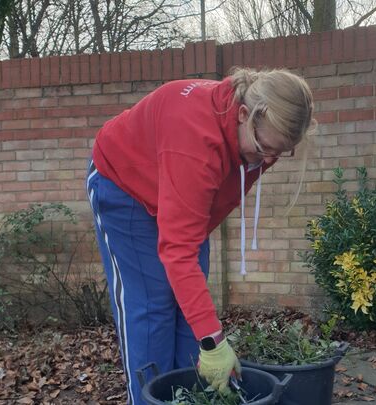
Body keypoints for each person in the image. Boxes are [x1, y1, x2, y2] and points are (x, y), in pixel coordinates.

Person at [86, 67, 316, 404]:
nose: (268, 160)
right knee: (152, 309)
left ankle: (187, 398)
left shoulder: (256, 135)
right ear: (242, 115)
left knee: (188, 306)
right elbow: (178, 249)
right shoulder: (195, 141)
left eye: (280, 152)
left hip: (174, 186)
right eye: (265, 147)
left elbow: (193, 225)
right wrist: (214, 342)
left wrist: (205, 334)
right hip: (124, 189)